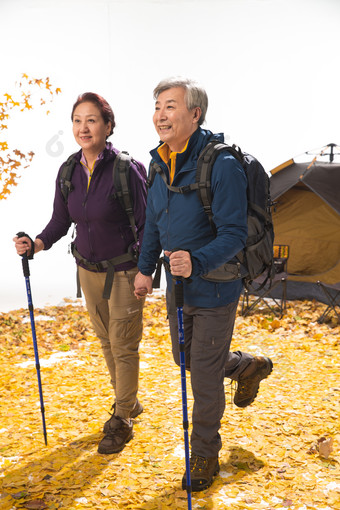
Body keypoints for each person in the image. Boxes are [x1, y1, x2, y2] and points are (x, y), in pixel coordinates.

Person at [134, 77, 273, 491]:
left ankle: (205, 455)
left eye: (171, 106)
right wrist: (145, 271)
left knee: (203, 379)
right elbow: (154, 226)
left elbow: (232, 234)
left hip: (216, 287)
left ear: (195, 114)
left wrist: (195, 261)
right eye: (158, 105)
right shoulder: (159, 164)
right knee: (186, 360)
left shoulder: (222, 164)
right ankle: (249, 365)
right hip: (179, 289)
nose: (161, 114)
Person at [14, 92, 147, 455]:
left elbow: (149, 224)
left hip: (124, 271)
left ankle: (122, 420)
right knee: (106, 341)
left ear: (107, 125)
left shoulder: (126, 169)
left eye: (91, 120)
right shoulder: (69, 170)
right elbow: (61, 220)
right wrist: (37, 243)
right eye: (77, 120)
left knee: (123, 345)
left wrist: (145, 271)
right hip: (86, 271)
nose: (83, 127)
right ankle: (129, 402)